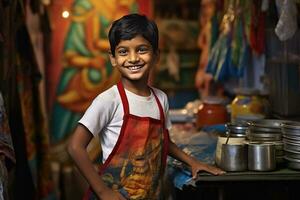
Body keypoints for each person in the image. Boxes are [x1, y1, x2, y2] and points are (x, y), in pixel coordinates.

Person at [68, 13, 225, 200]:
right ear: (112, 58)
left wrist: (193, 162)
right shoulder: (109, 100)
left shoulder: (161, 99)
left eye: (142, 49)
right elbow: (75, 146)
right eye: (123, 51)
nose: (133, 58)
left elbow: (164, 142)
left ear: (156, 55)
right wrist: (103, 192)